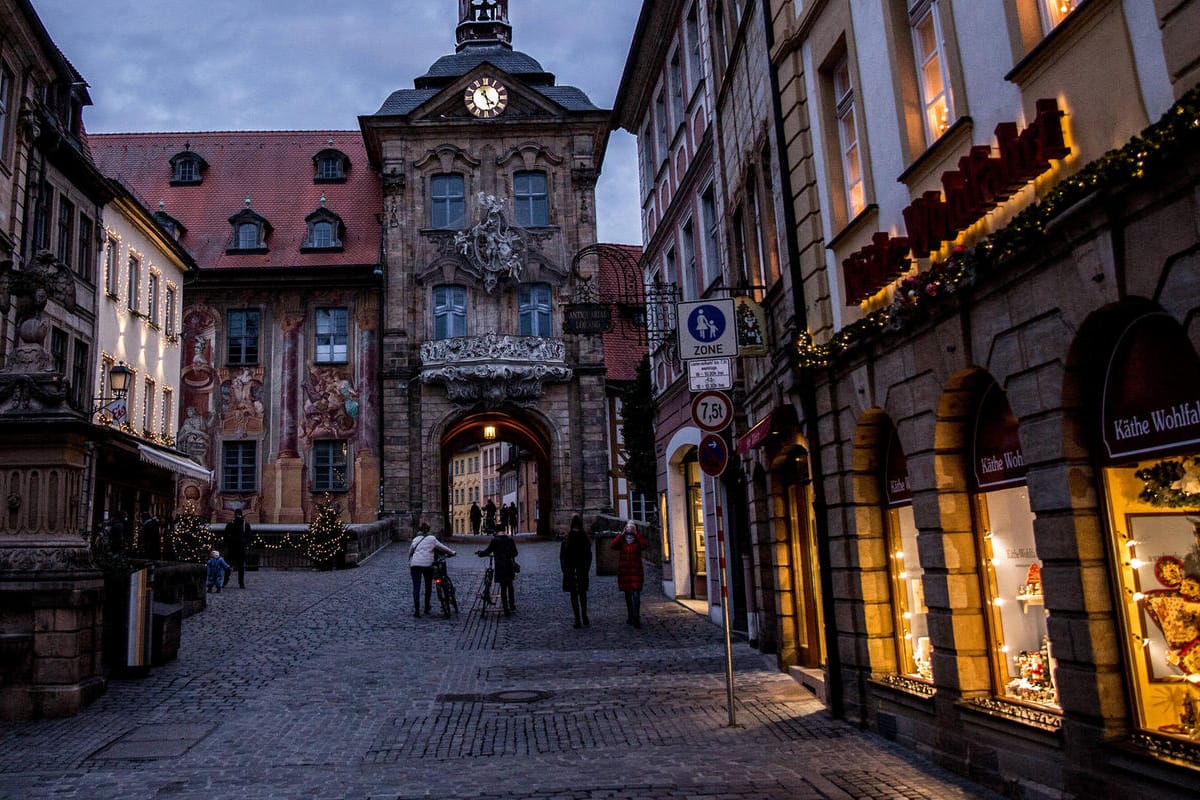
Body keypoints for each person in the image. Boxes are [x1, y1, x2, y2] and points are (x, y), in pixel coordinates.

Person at [409, 522, 455, 617]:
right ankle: (426, 607)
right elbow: (444, 548)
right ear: (429, 530)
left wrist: (411, 560)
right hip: (427, 565)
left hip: (415, 565)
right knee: (428, 586)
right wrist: (452, 552)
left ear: (420, 531)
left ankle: (417, 611)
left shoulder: (416, 539)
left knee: (416, 587)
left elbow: (410, 552)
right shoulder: (432, 539)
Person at [610, 520, 649, 628]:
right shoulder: (622, 540)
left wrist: (637, 533)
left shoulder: (637, 539)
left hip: (636, 571)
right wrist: (621, 534)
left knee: (636, 594)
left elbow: (644, 546)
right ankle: (630, 616)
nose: (630, 529)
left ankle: (636, 617)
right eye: (628, 527)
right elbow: (612, 545)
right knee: (627, 595)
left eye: (632, 527)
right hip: (624, 571)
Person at [477, 527, 519, 616]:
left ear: (496, 532)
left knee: (503, 587)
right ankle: (512, 605)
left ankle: (505, 608)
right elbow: (515, 553)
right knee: (510, 585)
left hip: (500, 566)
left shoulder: (495, 540)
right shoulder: (510, 540)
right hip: (509, 565)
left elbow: (488, 551)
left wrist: (480, 553)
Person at [560, 513, 592, 628]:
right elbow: (589, 555)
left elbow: (562, 556)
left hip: (571, 570)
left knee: (574, 595)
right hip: (582, 570)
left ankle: (577, 619)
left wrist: (565, 570)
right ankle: (584, 616)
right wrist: (586, 569)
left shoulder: (568, 538)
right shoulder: (584, 538)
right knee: (582, 594)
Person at [223, 509, 253, 589]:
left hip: (233, 547)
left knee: (229, 566)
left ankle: (225, 581)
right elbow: (249, 536)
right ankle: (241, 583)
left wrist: (228, 543)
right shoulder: (245, 524)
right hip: (239, 548)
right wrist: (245, 543)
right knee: (240, 567)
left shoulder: (231, 524)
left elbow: (225, 535)